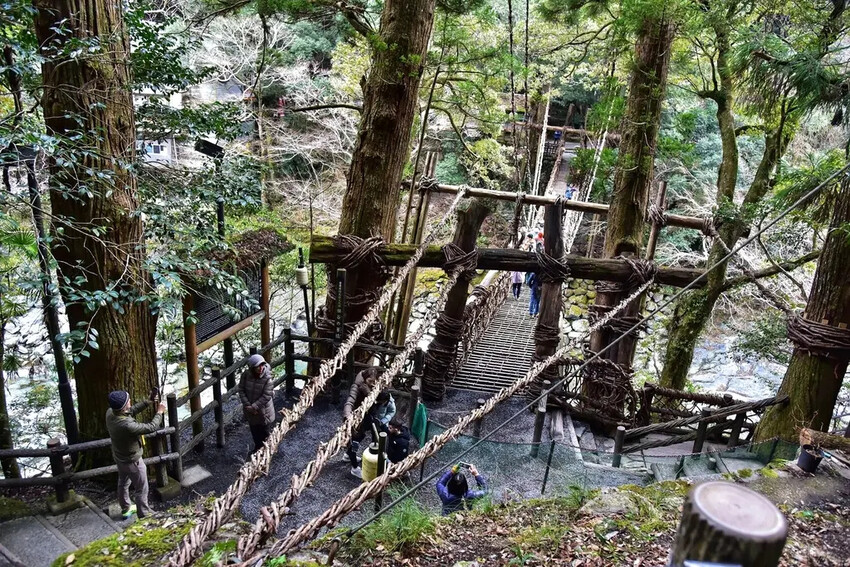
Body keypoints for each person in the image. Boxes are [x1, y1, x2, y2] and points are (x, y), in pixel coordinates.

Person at [105, 389, 166, 519]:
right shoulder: (127, 425)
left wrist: (147, 402)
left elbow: (130, 411)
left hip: (119, 457)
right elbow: (150, 427)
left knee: (123, 483)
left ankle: (126, 508)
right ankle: (144, 515)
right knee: (142, 489)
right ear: (122, 407)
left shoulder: (110, 413)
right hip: (133, 461)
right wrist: (159, 412)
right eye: (128, 401)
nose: (130, 402)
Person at [343, 367, 396, 477]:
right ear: (365, 379)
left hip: (365, 415)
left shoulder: (374, 387)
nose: (372, 384)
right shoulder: (356, 387)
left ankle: (348, 455)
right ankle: (354, 467)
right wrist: (348, 416)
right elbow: (350, 401)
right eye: (370, 381)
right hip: (355, 418)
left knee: (360, 437)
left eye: (374, 381)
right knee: (354, 440)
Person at [238, 354, 276, 453]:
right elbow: (241, 389)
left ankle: (267, 451)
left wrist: (254, 407)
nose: (260, 368)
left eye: (262, 365)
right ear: (252, 368)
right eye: (257, 366)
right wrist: (247, 405)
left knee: (265, 432)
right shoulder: (245, 375)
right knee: (254, 431)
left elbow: (267, 395)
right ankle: (257, 448)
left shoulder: (267, 378)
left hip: (264, 411)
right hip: (250, 410)